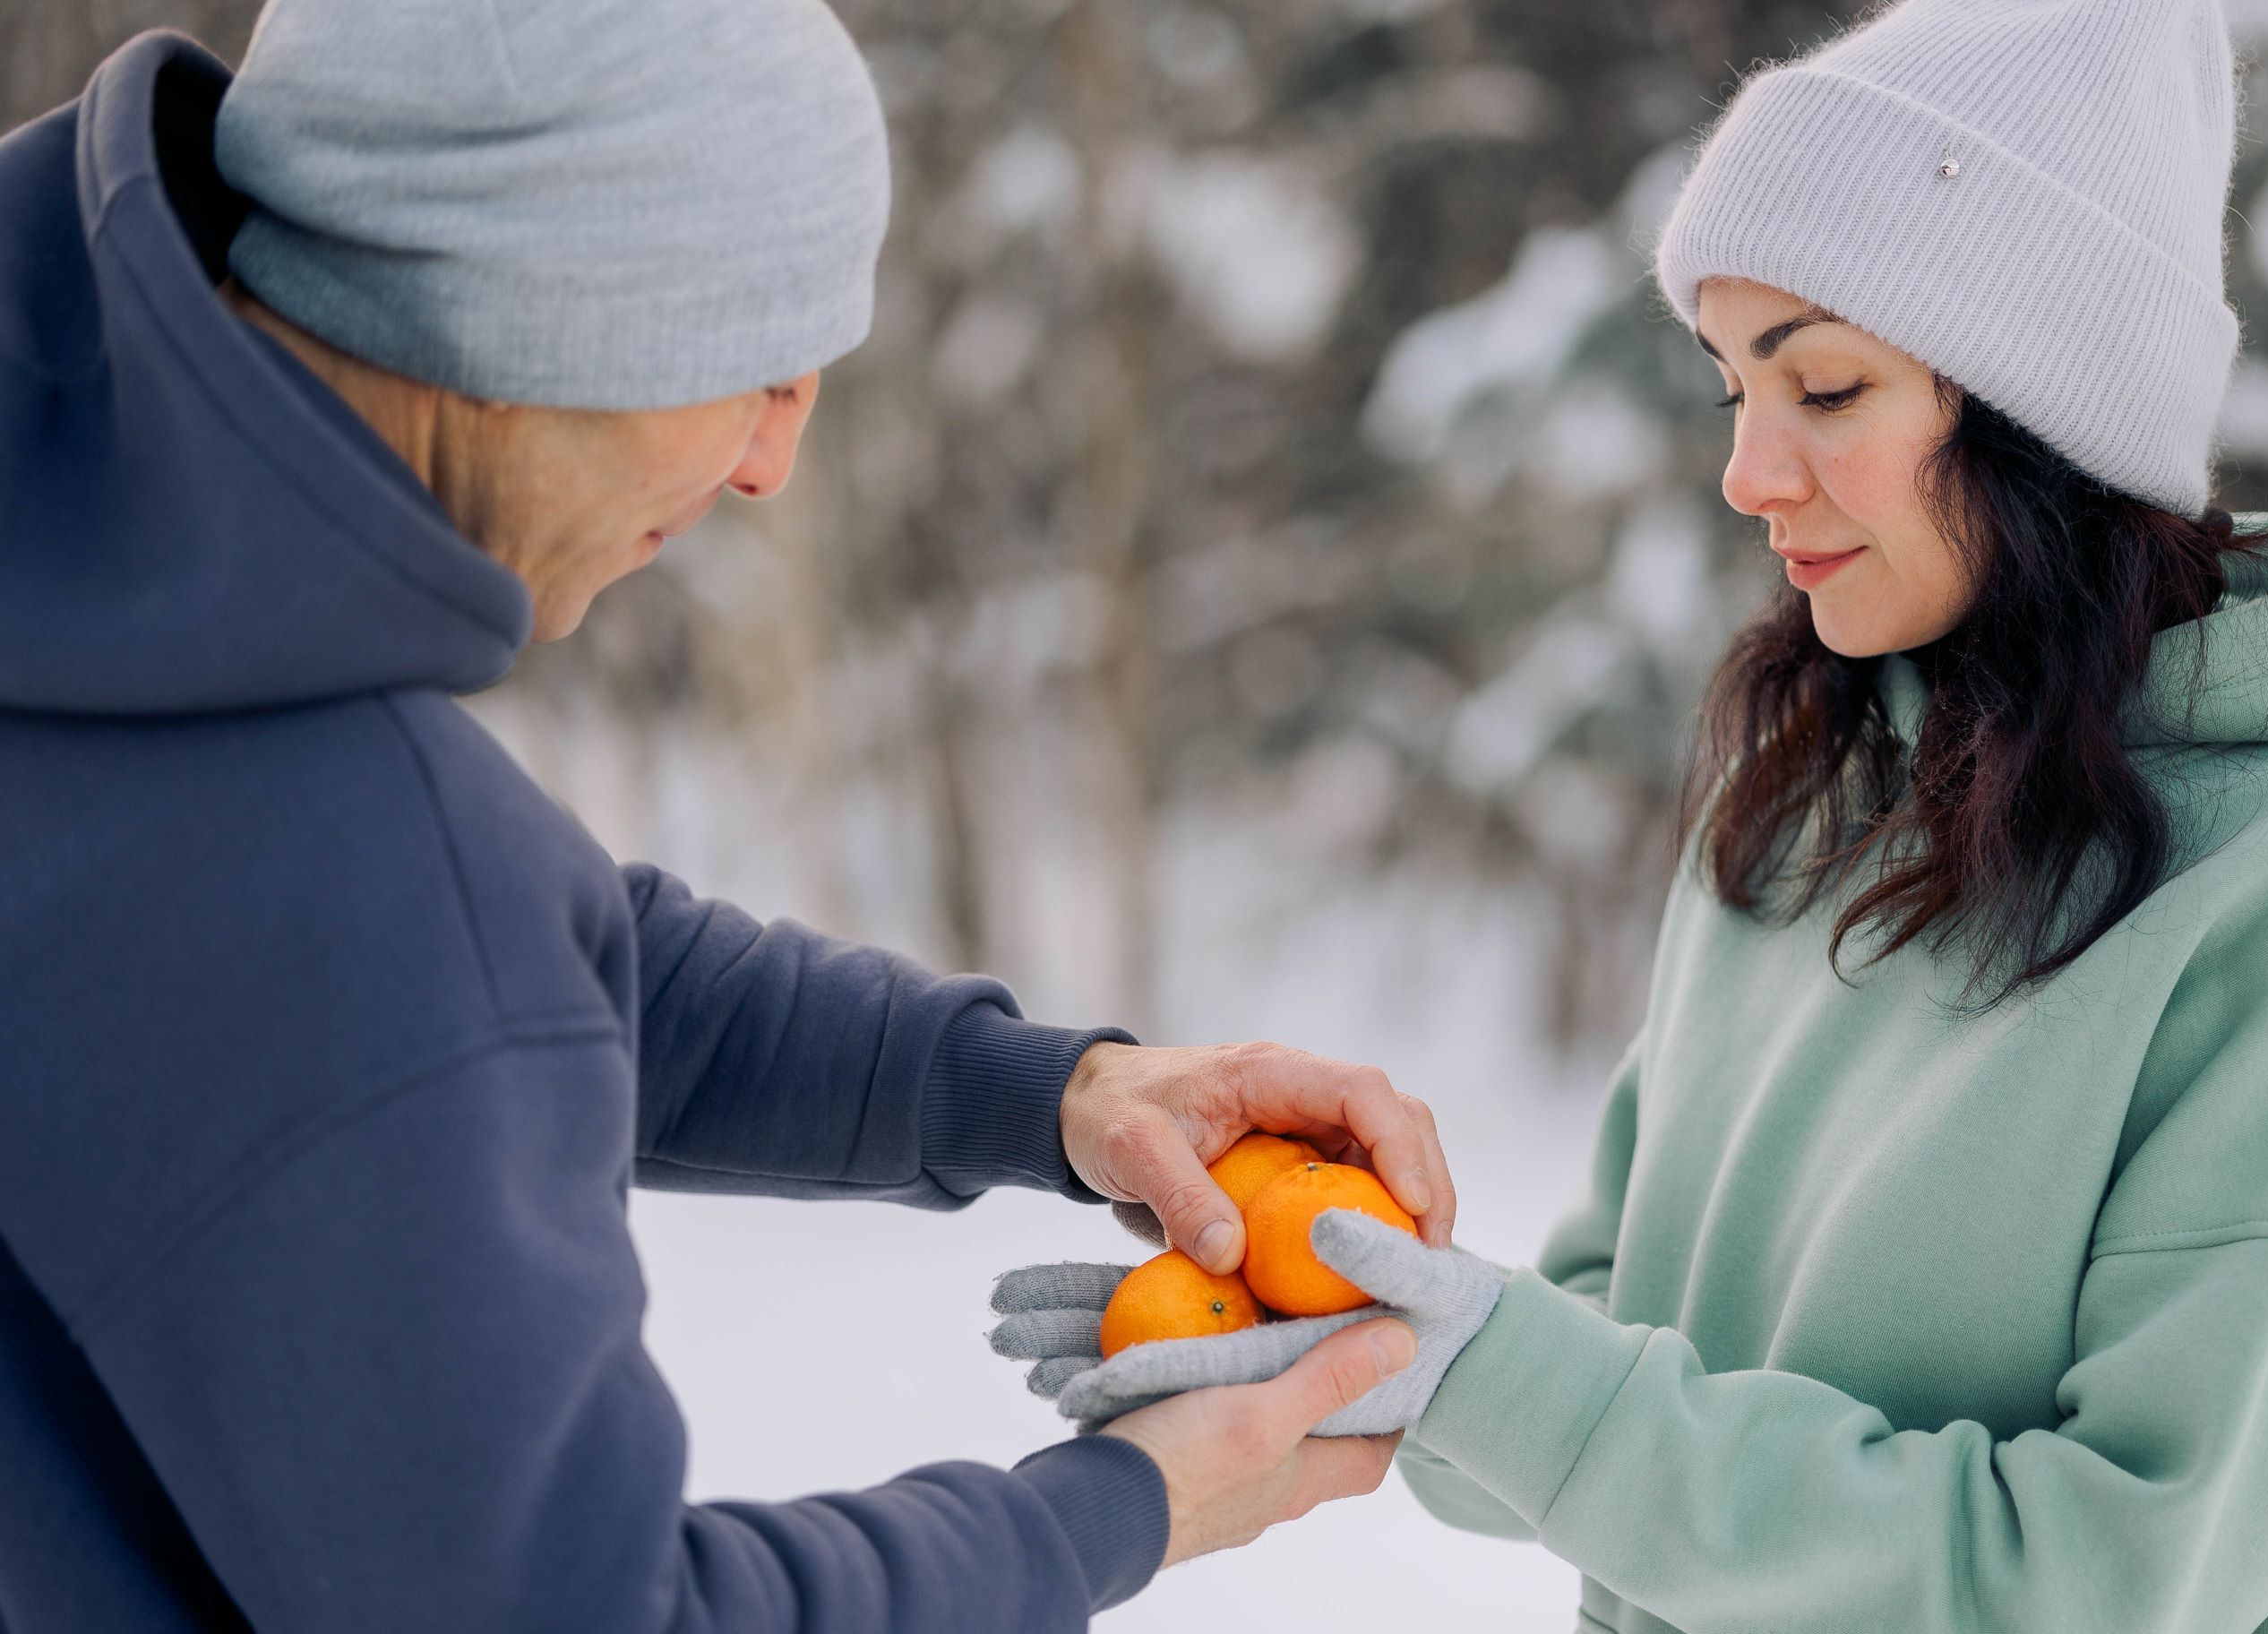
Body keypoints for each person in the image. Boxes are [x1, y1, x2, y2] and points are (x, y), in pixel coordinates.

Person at [993, 0, 2268, 1626]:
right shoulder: (1812, 798)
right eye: (1729, 390)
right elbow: (1621, 1349)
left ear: (2055, 414)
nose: (1749, 473)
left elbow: (2100, 1579)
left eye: (1824, 387)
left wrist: (1516, 1380)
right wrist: (1367, 1342)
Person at [0, 4, 1455, 1630]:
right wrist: (1129, 1509)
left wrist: (1052, 1090)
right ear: (542, 316)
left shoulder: (109, 618)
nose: (773, 466)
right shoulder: (343, 875)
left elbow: (532, 971)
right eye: (757, 370)